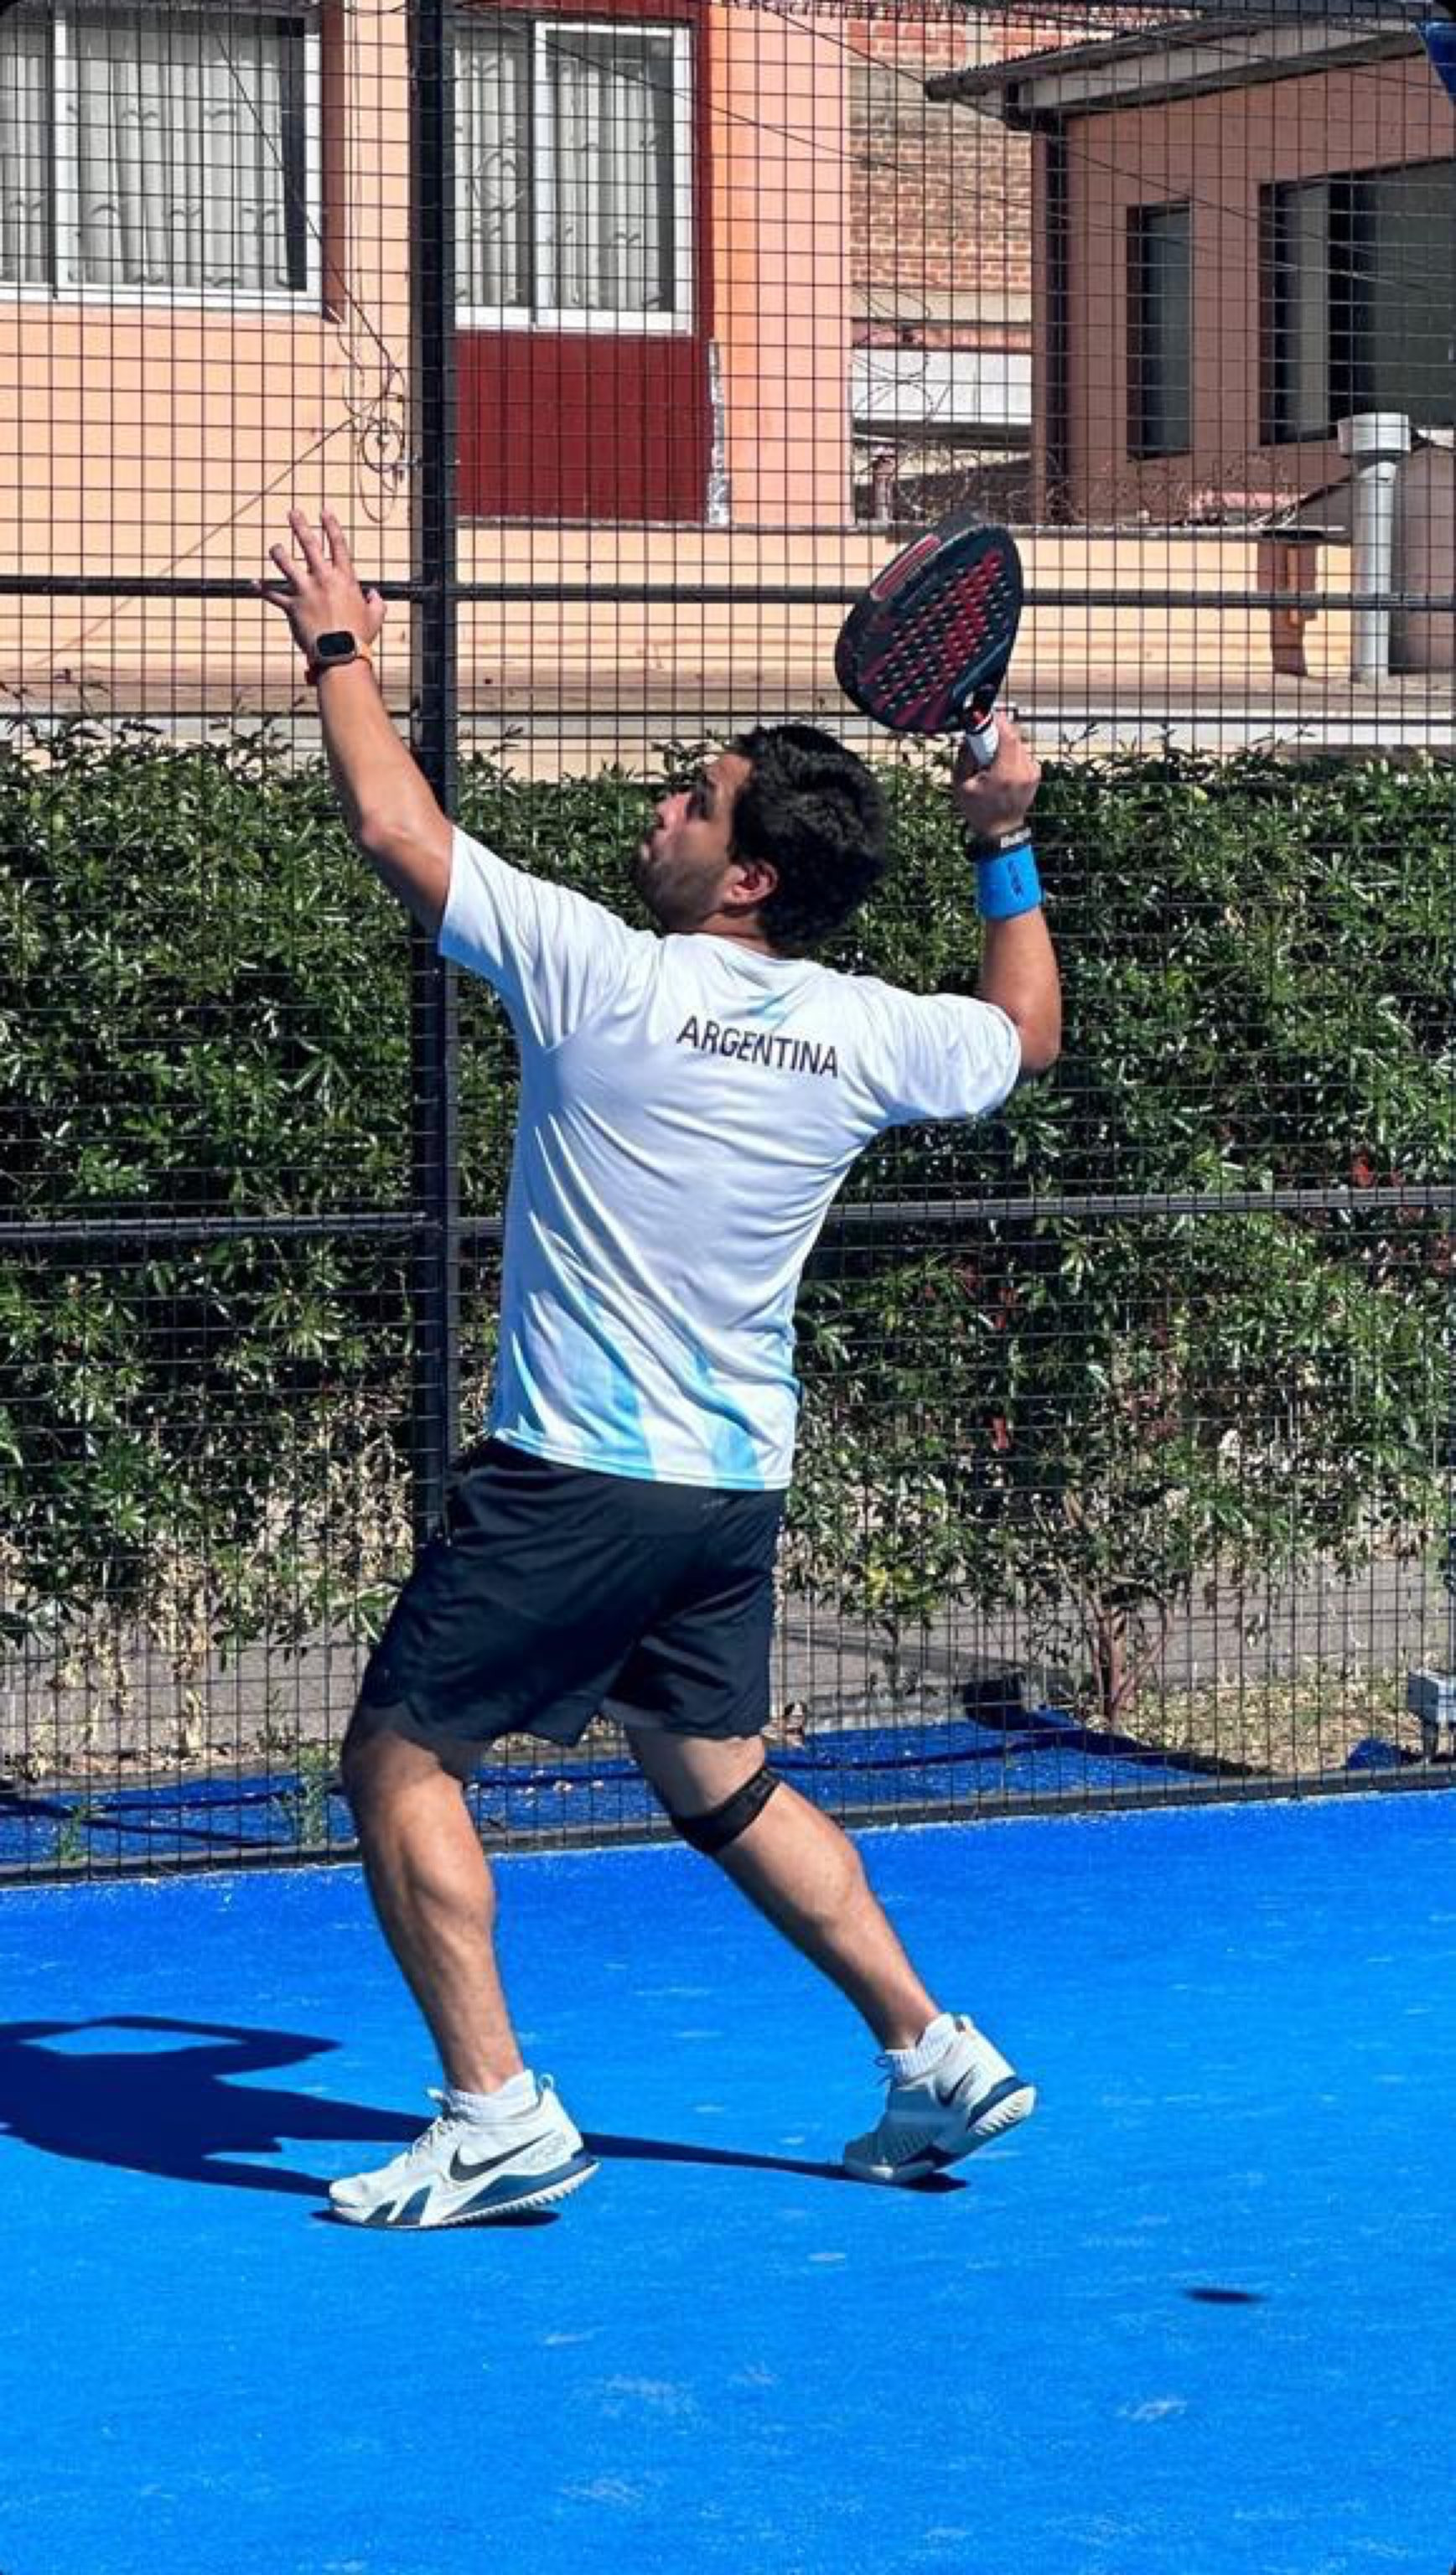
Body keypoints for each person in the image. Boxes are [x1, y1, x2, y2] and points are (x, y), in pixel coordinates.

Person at [258, 508, 1061, 2230]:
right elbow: (1023, 1033)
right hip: (724, 1491)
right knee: (714, 1774)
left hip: (569, 1478)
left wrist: (338, 648)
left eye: (695, 801)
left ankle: (493, 2114)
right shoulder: (866, 1032)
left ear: (748, 874)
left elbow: (394, 824)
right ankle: (931, 2055)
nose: (663, 811)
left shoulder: (603, 979)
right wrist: (1003, 839)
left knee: (398, 1766)